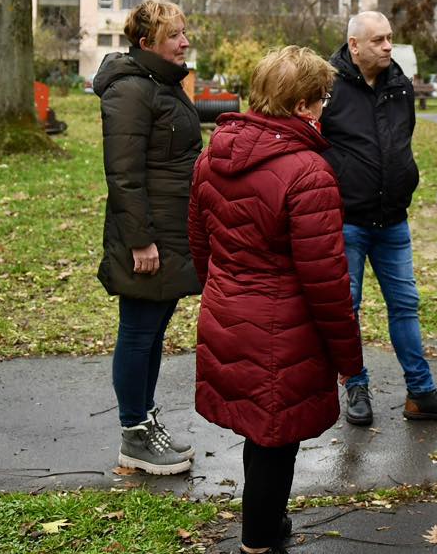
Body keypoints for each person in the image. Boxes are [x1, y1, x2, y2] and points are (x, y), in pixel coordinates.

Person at [189, 46, 363, 554]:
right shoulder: (309, 172)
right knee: (275, 437)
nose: (325, 108)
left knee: (262, 432)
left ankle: (264, 527)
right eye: (324, 99)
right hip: (282, 327)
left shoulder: (212, 155)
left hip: (229, 311)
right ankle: (260, 539)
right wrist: (349, 359)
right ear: (307, 105)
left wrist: (225, 291)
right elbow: (327, 280)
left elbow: (201, 246)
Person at [321, 11, 437, 426]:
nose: (388, 46)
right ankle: (356, 387)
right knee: (347, 309)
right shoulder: (327, 86)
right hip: (347, 220)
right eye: (378, 41)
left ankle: (421, 393)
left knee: (405, 306)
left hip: (393, 220)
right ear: (354, 46)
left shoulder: (399, 86)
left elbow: (400, 141)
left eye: (389, 39)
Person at [93, 0, 202, 475]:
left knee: (153, 331)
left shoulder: (161, 84)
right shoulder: (132, 90)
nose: (184, 41)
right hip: (148, 234)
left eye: (183, 31)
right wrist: (140, 241)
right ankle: (134, 434)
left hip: (170, 229)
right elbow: (123, 173)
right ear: (146, 44)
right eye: (174, 35)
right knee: (138, 332)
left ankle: (145, 421)